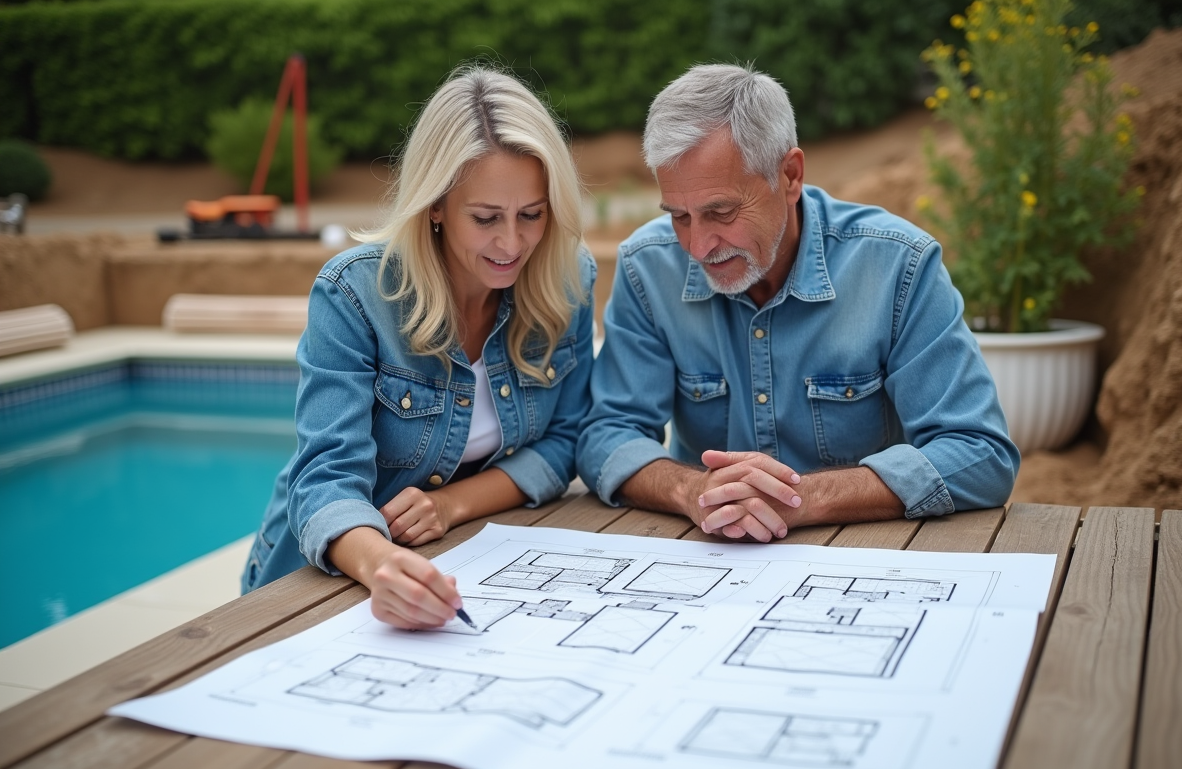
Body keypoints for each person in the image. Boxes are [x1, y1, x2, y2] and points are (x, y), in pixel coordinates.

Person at [577, 64, 1018, 541]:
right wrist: (692, 491)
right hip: (710, 552)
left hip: (871, 552)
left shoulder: (898, 266)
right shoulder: (648, 267)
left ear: (789, 175)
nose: (698, 247)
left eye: (720, 212)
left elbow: (980, 455)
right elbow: (606, 435)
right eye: (680, 217)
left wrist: (802, 499)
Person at [243, 67, 595, 631]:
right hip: (315, 582)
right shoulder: (353, 294)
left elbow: (566, 440)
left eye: (532, 214)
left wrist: (451, 505)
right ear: (435, 205)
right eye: (485, 218)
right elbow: (325, 479)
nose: (512, 242)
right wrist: (383, 564)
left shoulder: (566, 279)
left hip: (459, 556)